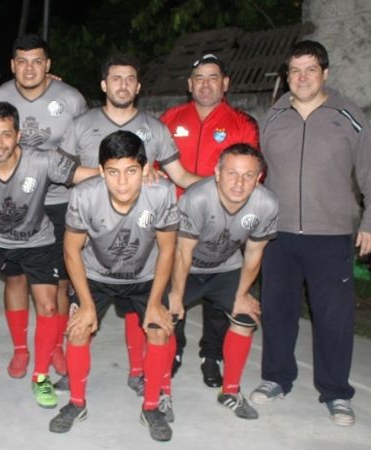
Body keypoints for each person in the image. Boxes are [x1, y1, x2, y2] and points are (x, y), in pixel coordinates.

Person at [251, 40, 371, 427]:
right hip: (278, 235)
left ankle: (336, 391)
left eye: (310, 69)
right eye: (295, 70)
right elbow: (254, 175)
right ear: (286, 76)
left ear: (324, 73)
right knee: (278, 312)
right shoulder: (273, 116)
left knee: (333, 318)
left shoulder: (348, 115)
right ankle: (277, 377)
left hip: (331, 236)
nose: (302, 77)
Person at [56, 53, 200, 392]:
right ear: (104, 85)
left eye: (130, 79)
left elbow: (179, 175)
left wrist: (219, 186)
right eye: (116, 78)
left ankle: (138, 371)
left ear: (138, 86)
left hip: (139, 229)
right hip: (96, 228)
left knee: (139, 304)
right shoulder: (81, 124)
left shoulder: (155, 128)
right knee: (81, 304)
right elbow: (61, 171)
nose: (123, 85)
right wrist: (109, 176)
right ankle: (73, 375)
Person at [0, 101, 96, 408]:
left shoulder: (42, 160)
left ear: (18, 135)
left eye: (6, 134)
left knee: (48, 306)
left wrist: (124, 173)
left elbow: (86, 174)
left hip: (36, 240)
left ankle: (40, 377)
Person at [49, 130, 179, 441]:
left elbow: (168, 249)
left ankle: (152, 406)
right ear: (101, 170)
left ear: (145, 169)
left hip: (144, 275)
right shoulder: (84, 195)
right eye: (113, 172)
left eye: (131, 171)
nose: (122, 182)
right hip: (96, 274)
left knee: (159, 328)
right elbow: (71, 250)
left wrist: (155, 302)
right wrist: (86, 304)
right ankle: (76, 403)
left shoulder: (162, 193)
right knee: (78, 328)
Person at [0, 34, 88, 380]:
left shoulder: (71, 99)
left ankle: (55, 346)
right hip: (16, 206)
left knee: (58, 281)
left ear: (48, 65)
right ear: (12, 65)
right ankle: (21, 349)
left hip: (60, 202)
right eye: (22, 61)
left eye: (37, 61)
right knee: (16, 278)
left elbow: (85, 150)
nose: (29, 69)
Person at [161, 53, 260, 385]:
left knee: (219, 292)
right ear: (189, 85)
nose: (206, 85)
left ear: (225, 83)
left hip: (224, 224)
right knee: (173, 288)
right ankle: (174, 348)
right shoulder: (170, 119)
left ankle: (212, 354)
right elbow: (154, 167)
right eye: (199, 78)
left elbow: (250, 175)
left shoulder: (242, 124)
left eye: (213, 77)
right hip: (176, 222)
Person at [168, 144, 277, 421]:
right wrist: (176, 296)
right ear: (217, 172)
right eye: (232, 173)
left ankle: (230, 391)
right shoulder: (197, 198)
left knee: (246, 317)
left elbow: (254, 253)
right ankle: (160, 390)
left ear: (259, 178)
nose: (239, 183)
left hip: (225, 268)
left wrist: (242, 294)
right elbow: (182, 253)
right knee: (164, 315)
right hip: (187, 268)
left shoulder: (266, 204)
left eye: (248, 175)